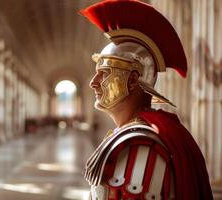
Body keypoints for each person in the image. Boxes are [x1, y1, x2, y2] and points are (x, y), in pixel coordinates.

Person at [80, 0, 213, 199]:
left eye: (104, 73)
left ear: (133, 80)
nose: (93, 82)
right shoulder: (139, 134)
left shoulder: (139, 146)